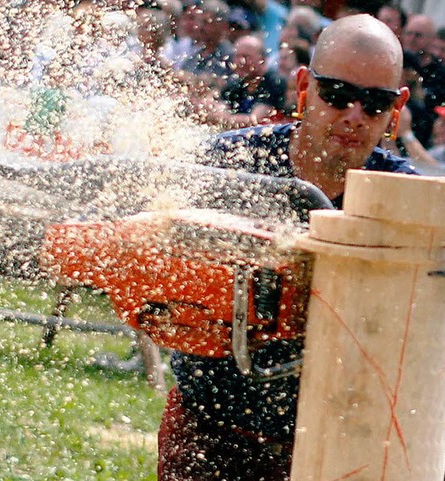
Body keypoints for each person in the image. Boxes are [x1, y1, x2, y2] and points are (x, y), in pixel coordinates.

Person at [158, 14, 413, 481]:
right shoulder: (231, 164)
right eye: (336, 95)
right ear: (303, 88)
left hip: (338, 436)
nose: (354, 116)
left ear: (396, 109)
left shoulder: (405, 198)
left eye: (374, 104)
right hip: (212, 422)